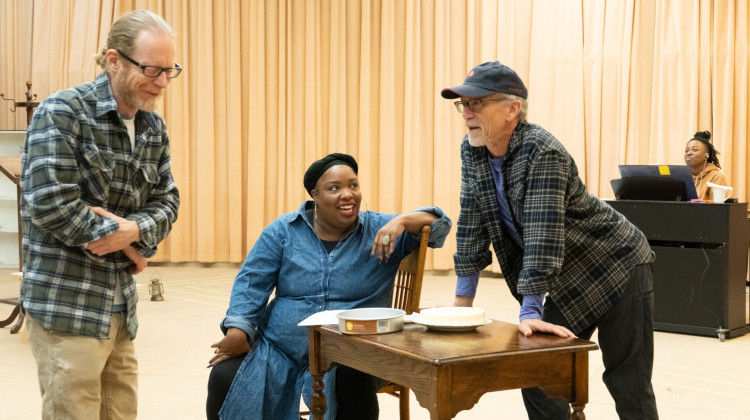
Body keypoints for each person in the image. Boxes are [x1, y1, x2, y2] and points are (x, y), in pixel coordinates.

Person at [441, 61, 659, 419]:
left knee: (627, 381)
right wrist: (461, 306)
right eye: (462, 104)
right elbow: (471, 222)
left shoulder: (542, 150)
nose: (466, 112)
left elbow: (544, 235)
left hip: (618, 262)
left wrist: (529, 311)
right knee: (539, 375)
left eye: (476, 103)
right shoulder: (472, 150)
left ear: (512, 108)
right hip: (567, 273)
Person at [20, 10, 181, 419]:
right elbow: (53, 205)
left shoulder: (153, 127)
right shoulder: (62, 113)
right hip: (68, 304)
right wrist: (130, 245)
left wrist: (133, 232)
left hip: (120, 308)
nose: (162, 82)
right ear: (113, 60)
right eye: (151, 69)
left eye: (170, 70)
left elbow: (168, 202)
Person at [206, 153, 451, 420]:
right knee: (225, 374)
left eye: (353, 185)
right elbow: (251, 282)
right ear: (315, 195)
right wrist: (238, 328)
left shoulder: (379, 229)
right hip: (280, 351)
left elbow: (439, 225)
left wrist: (403, 220)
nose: (348, 194)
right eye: (335, 188)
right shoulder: (283, 231)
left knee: (351, 378)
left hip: (353, 354)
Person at [684, 130, 729, 201]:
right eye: (686, 150)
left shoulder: (716, 177)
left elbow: (719, 209)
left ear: (706, 155)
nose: (689, 153)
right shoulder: (683, 177)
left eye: (694, 150)